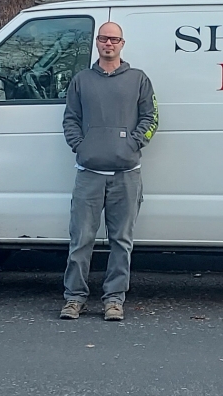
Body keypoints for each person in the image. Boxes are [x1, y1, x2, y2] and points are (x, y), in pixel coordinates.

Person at [59, 21, 158, 321]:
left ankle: (114, 300)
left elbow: (151, 117)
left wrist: (134, 143)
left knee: (121, 241)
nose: (108, 44)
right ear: (98, 43)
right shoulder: (81, 80)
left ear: (122, 43)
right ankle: (74, 298)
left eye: (113, 39)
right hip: (88, 173)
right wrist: (82, 146)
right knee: (81, 240)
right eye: (103, 39)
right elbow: (70, 119)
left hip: (127, 174)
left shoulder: (139, 80)